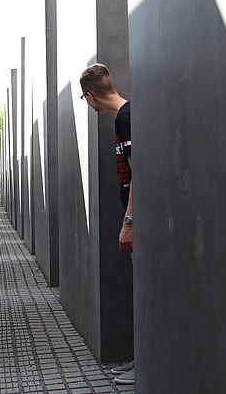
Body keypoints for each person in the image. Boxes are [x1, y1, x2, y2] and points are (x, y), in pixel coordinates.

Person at [79, 63, 135, 386]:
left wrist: (128, 221)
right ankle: (140, 360)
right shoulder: (123, 118)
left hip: (136, 223)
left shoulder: (126, 118)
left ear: (90, 96)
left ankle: (145, 368)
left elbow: (137, 170)